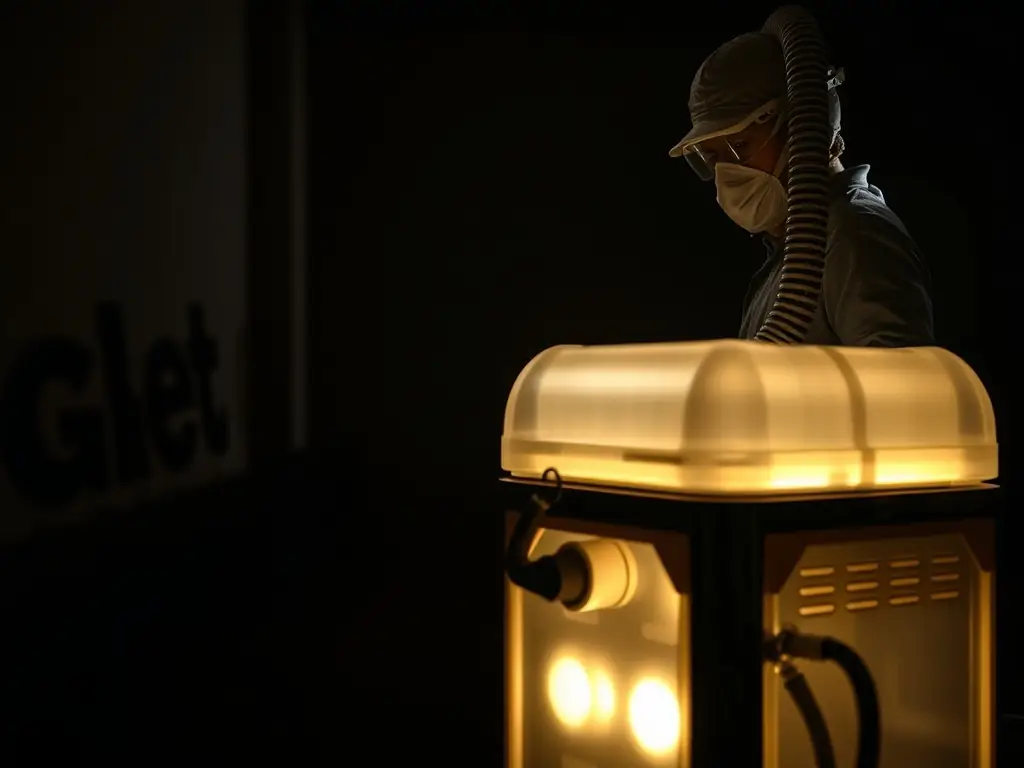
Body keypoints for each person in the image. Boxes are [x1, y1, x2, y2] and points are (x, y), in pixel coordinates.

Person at [668, 31, 935, 347]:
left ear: (804, 125)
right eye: (713, 157)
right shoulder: (797, 253)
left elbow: (903, 389)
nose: (726, 172)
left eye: (740, 145)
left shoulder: (855, 238)